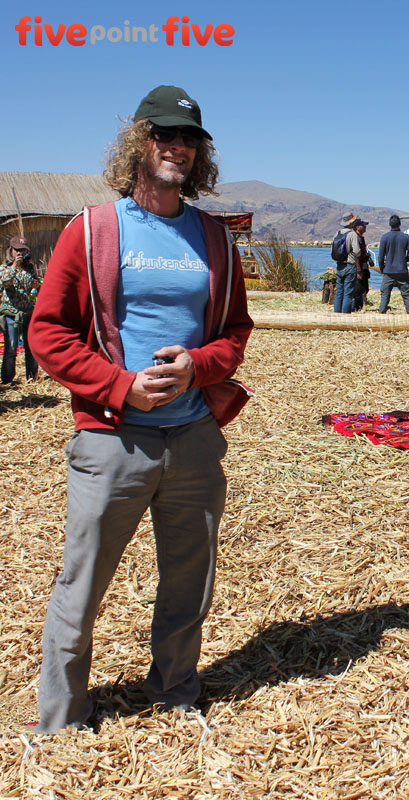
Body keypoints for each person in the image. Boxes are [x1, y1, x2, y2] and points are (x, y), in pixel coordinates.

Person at [28, 85, 254, 733]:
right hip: (112, 439)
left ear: (199, 154)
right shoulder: (94, 229)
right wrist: (116, 385)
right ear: (139, 143)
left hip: (192, 438)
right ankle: (63, 716)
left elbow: (234, 332)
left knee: (190, 578)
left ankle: (176, 690)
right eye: (164, 134)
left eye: (188, 138)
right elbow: (48, 332)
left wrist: (198, 368)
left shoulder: (213, 237)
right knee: (83, 583)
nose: (176, 146)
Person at [1, 235, 40, 384]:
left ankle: (32, 377)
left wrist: (36, 284)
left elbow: (34, 283)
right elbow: (4, 281)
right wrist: (15, 267)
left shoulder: (29, 268)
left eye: (23, 250)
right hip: (11, 313)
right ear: (11, 251)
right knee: (11, 348)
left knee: (31, 347)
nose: (19, 253)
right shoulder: (5, 268)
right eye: (17, 250)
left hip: (28, 311)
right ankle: (7, 379)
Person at [377, 214, 409, 314]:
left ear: (390, 224)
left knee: (385, 295)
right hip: (402, 271)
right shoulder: (405, 237)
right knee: (406, 295)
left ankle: (381, 315)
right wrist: (403, 260)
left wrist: (382, 269)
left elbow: (380, 257)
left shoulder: (385, 237)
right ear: (400, 224)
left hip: (388, 271)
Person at [331, 212, 356, 313]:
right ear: (351, 223)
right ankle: (345, 316)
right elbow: (357, 251)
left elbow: (332, 250)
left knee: (339, 292)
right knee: (348, 293)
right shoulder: (352, 234)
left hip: (339, 266)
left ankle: (337, 314)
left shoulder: (337, 234)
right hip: (349, 265)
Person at [347, 218, 370, 312]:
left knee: (364, 287)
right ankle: (355, 308)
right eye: (363, 225)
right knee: (358, 289)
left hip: (363, 266)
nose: (365, 227)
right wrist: (358, 270)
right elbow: (356, 255)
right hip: (358, 266)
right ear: (357, 227)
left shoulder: (361, 238)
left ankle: (359, 307)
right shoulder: (356, 238)